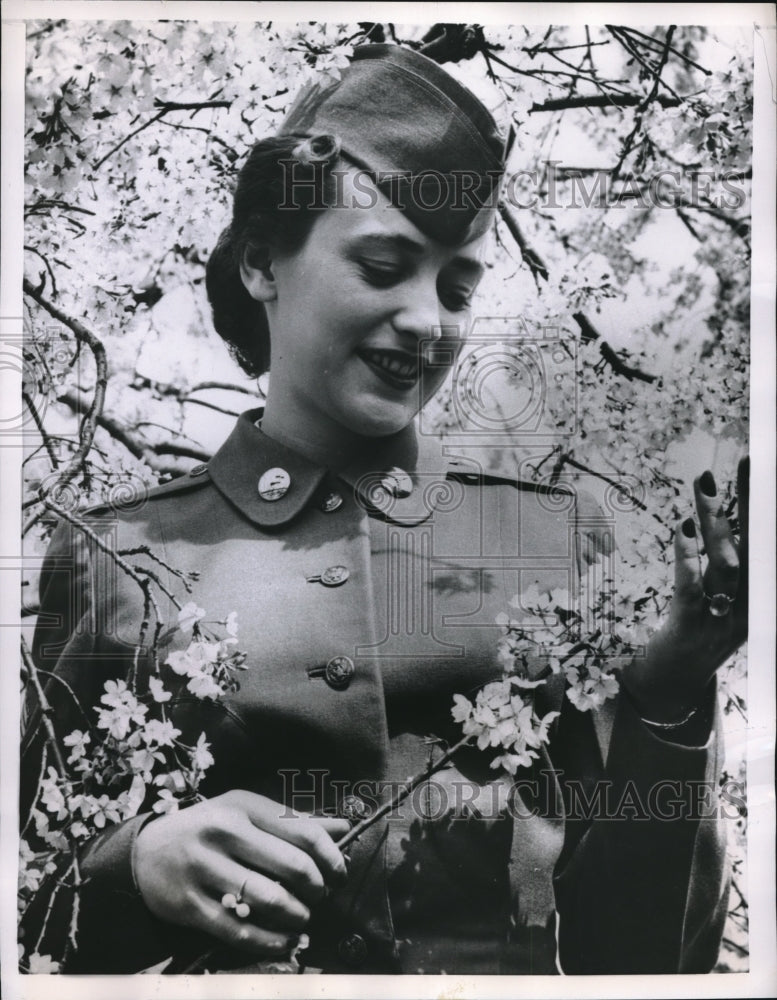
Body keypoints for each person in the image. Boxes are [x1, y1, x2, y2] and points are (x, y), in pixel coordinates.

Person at [20, 43, 747, 976]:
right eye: (381, 265)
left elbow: (647, 961)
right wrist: (135, 865)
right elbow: (29, 910)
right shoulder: (115, 552)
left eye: (455, 287)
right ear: (259, 265)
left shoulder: (557, 542)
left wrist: (673, 694)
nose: (427, 321)